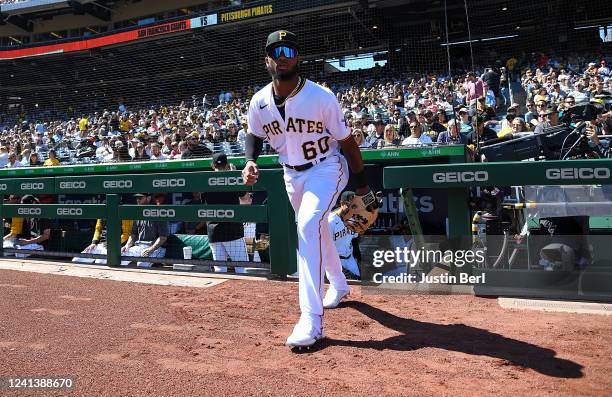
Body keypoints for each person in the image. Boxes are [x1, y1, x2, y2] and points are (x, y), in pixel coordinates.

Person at [242, 30, 374, 348]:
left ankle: (311, 320)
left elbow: (346, 141)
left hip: (327, 167)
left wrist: (363, 186)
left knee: (307, 224)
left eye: (289, 50)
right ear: (267, 60)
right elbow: (254, 134)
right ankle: (339, 284)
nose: (283, 55)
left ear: (297, 58)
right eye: (276, 51)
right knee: (317, 229)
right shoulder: (259, 101)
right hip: (291, 174)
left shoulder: (321, 96)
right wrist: (250, 160)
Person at [206, 153, 247, 273]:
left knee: (220, 270)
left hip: (214, 230)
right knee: (241, 268)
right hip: (232, 229)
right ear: (227, 165)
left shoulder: (205, 179)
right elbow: (245, 198)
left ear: (213, 165)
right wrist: (234, 174)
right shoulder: (232, 178)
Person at [120, 193, 168, 268]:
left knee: (141, 264)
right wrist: (127, 246)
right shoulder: (138, 213)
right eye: (137, 198)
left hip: (157, 248)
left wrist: (151, 249)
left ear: (148, 198)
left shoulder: (158, 213)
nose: (137, 200)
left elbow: (163, 237)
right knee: (120, 257)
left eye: (140, 198)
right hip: (140, 246)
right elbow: (133, 234)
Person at [328, 191, 361, 281]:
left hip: (350, 260)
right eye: (349, 205)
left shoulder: (353, 218)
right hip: (336, 262)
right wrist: (338, 268)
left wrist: (357, 257)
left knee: (358, 284)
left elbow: (354, 238)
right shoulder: (330, 221)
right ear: (341, 203)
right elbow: (324, 248)